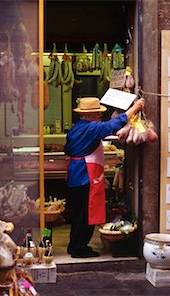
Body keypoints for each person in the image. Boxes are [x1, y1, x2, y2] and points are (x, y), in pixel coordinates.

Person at [65, 96, 145, 258]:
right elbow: (111, 125)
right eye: (97, 113)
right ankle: (79, 249)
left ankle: (73, 245)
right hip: (84, 176)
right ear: (89, 115)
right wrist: (135, 109)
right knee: (85, 215)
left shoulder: (77, 128)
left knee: (78, 214)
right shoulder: (91, 128)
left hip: (76, 175)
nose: (100, 116)